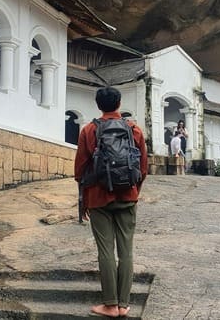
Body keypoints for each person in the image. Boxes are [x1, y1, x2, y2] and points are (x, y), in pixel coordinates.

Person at [74, 87, 148, 318]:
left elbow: (80, 170)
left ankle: (110, 305)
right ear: (119, 104)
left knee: (105, 251)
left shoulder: (89, 130)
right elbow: (143, 168)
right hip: (127, 196)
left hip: (98, 197)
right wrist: (133, 190)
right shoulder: (134, 129)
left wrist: (84, 200)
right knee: (126, 252)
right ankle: (124, 305)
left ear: (98, 105)